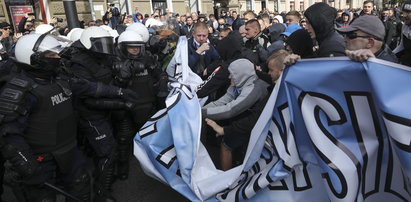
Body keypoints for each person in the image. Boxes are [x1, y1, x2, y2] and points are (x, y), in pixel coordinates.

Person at [0, 33, 136, 202]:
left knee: (82, 188)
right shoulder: (20, 91)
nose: (58, 57)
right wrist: (28, 167)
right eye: (51, 55)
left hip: (70, 150)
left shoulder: (60, 80)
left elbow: (89, 87)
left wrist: (119, 92)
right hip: (42, 159)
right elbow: (9, 135)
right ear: (34, 59)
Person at [69, 26, 120, 201]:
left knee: (101, 153)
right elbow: (86, 93)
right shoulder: (79, 63)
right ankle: (102, 193)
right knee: (108, 152)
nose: (105, 48)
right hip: (90, 115)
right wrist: (118, 97)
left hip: (103, 111)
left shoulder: (100, 58)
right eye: (101, 44)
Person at [112, 30, 167, 180]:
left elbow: (160, 73)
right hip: (127, 107)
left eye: (138, 46)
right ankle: (122, 167)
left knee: (152, 137)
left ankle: (156, 166)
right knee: (123, 139)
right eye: (131, 47)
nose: (135, 49)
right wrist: (123, 75)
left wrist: (162, 84)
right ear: (123, 47)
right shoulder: (115, 62)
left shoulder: (148, 58)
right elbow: (112, 86)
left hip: (148, 103)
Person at [202, 59, 270, 170]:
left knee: (226, 146)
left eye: (232, 75)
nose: (229, 77)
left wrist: (201, 113)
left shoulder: (254, 88)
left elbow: (230, 110)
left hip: (252, 123)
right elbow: (222, 101)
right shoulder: (240, 82)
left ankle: (226, 181)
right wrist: (200, 110)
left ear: (241, 75)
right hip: (244, 119)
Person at [393, 0, 411, 66]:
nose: (404, 15)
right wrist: (390, 56)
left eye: (408, 12)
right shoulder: (404, 26)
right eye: (403, 12)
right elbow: (402, 45)